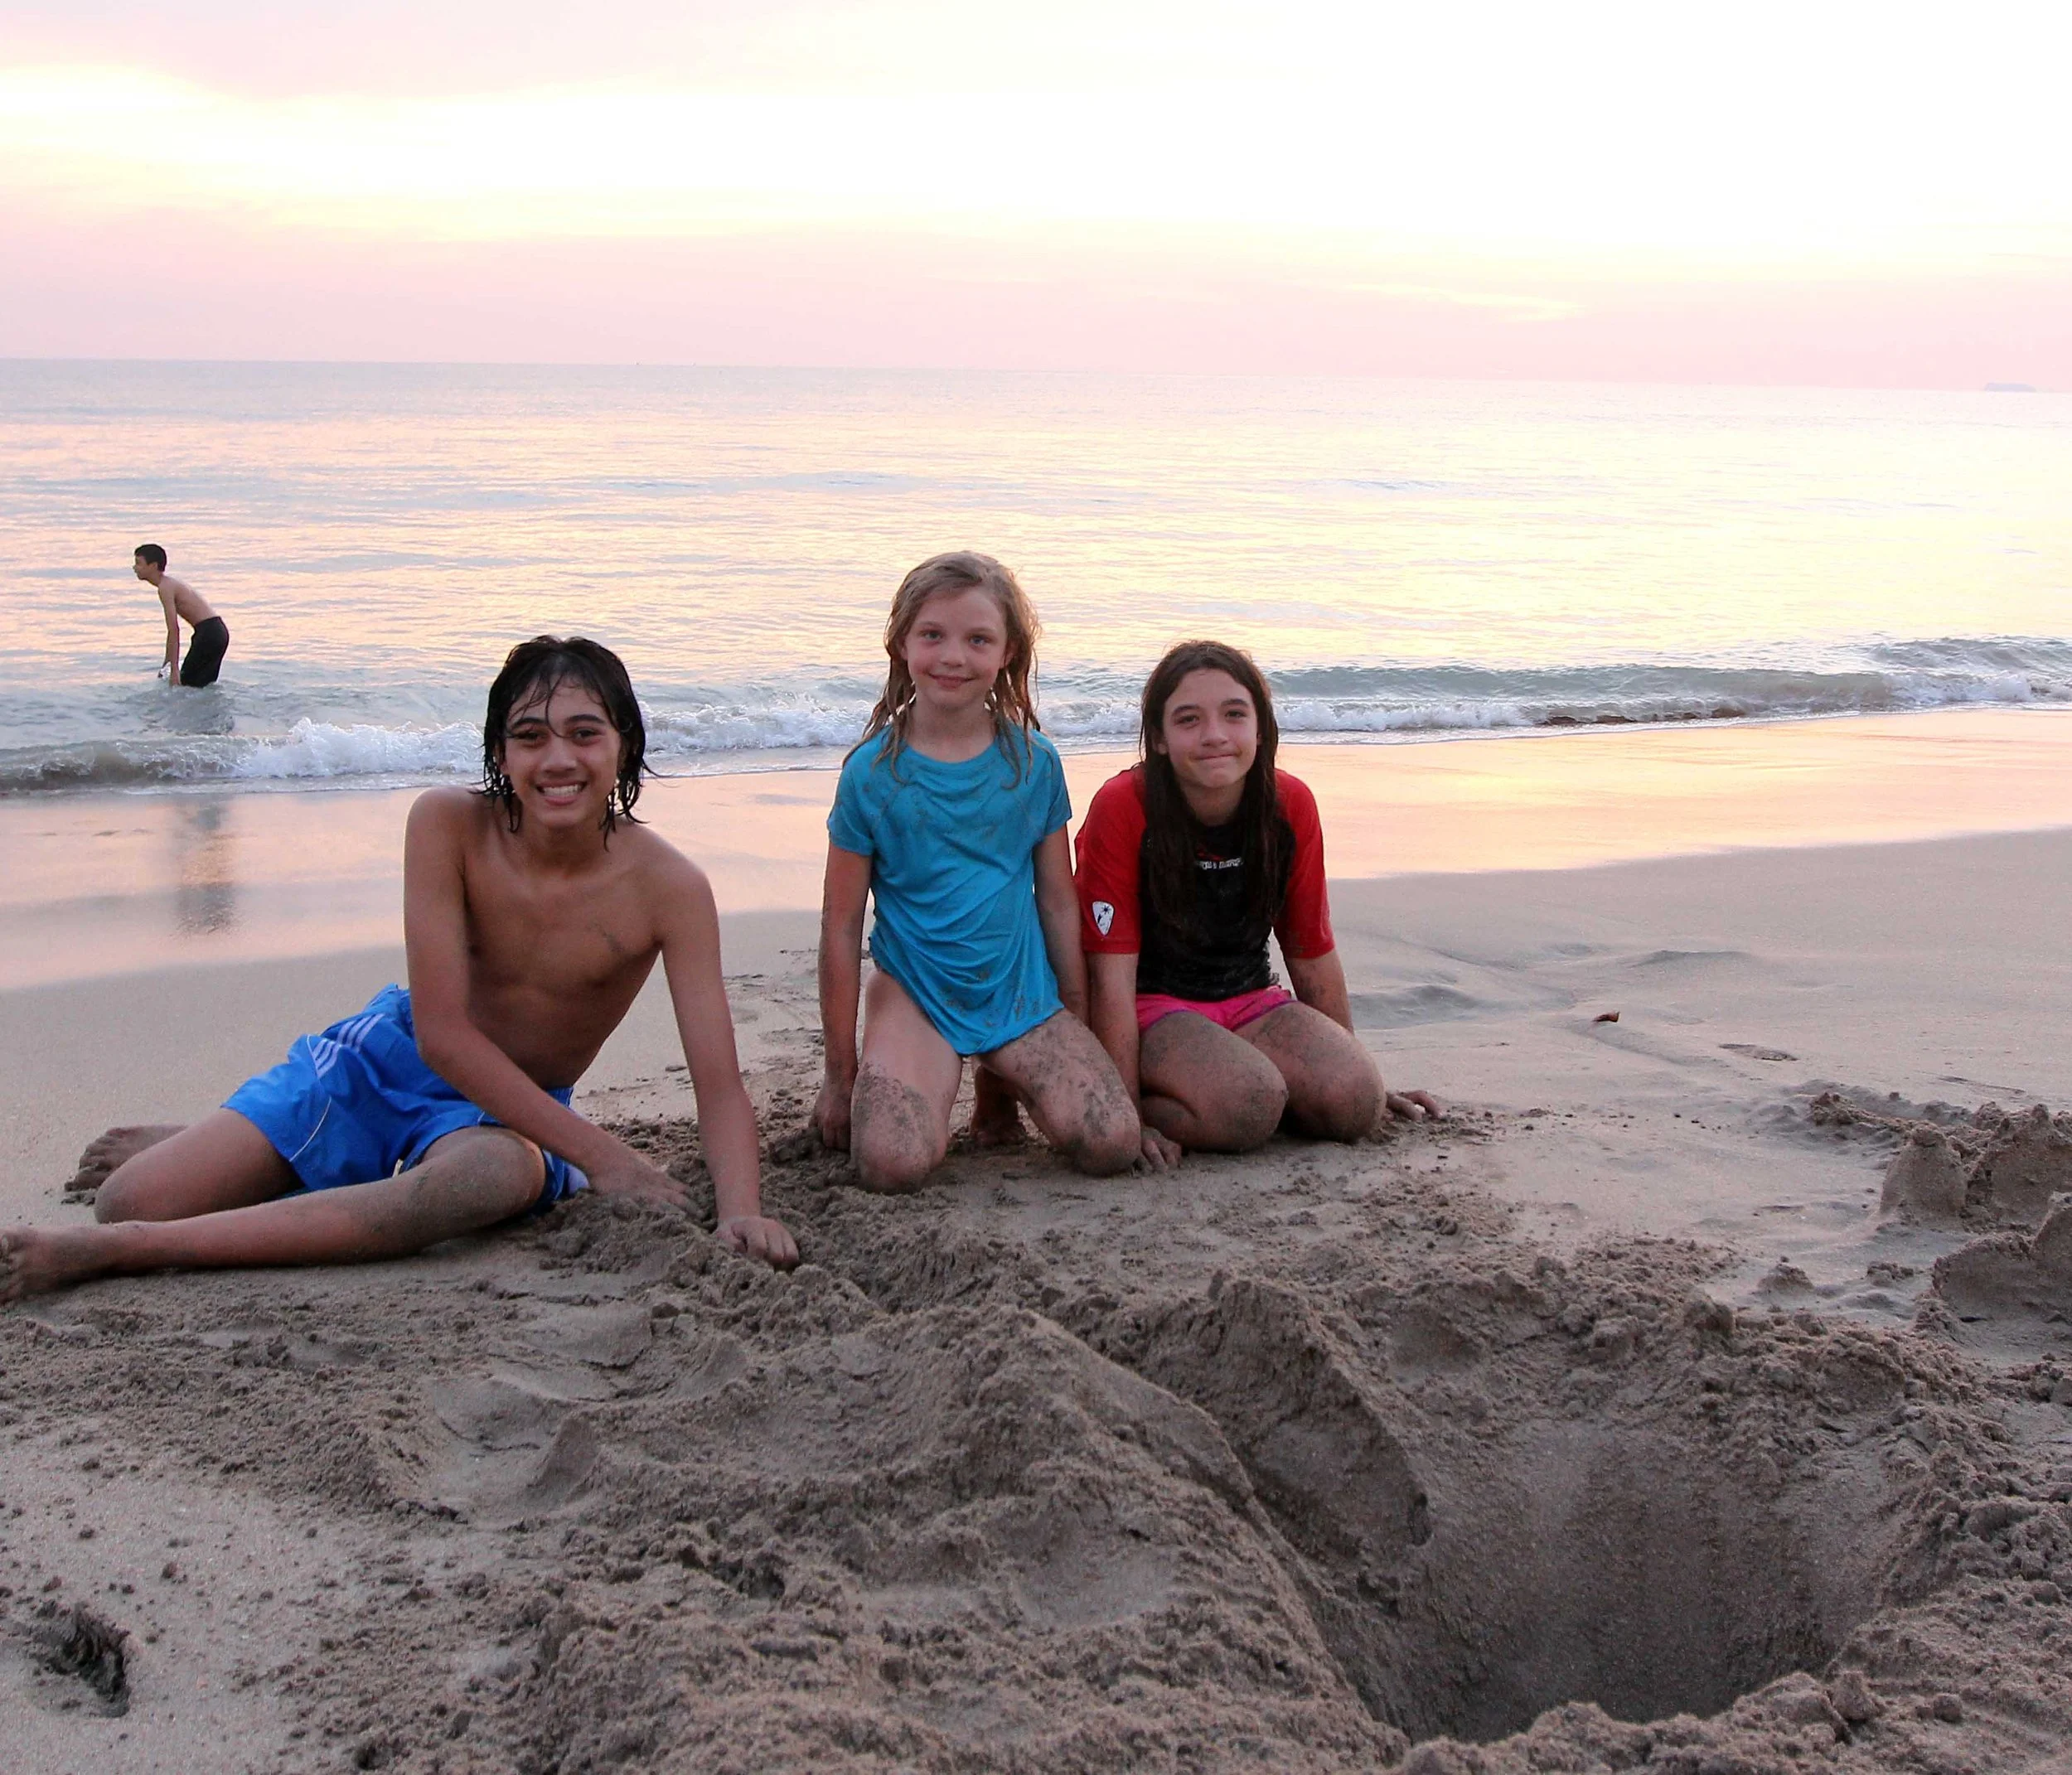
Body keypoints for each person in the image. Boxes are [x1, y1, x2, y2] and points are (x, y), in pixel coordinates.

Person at [0, 636, 796, 1303]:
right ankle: (214, 1154)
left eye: (585, 733)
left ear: (625, 744)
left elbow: (718, 1080)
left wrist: (742, 1211)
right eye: (530, 736)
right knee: (126, 1197)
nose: (559, 758)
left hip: (507, 1119)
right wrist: (609, 1156)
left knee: (476, 1186)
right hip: (387, 1059)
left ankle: (123, 1253)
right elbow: (446, 1037)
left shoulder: (671, 889)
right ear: (498, 752)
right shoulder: (447, 824)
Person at [811, 551, 1140, 1192]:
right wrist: (837, 1075)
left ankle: (998, 1079)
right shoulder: (871, 774)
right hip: (915, 991)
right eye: (932, 635)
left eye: (977, 639)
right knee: (890, 1164)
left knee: (1111, 1142)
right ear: (901, 642)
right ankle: (915, 1043)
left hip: (1016, 992)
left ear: (1008, 651)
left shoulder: (1033, 764)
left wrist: (1074, 1017)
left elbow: (1057, 904)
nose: (953, 656)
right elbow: (841, 922)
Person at [1076, 640, 1440, 1163]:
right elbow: (1109, 978)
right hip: (1150, 1007)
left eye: (1233, 715)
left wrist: (1358, 1072)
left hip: (1250, 999)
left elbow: (1309, 951)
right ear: (1157, 738)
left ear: (1261, 727)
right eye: (1188, 720)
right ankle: (1197, 1097)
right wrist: (1124, 1114)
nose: (1215, 736)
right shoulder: (1124, 807)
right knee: (1247, 1106)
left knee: (1356, 1104)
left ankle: (1264, 1087)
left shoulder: (1289, 803)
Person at [133, 544, 230, 687]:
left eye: (138, 564)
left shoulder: (165, 588)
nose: (134, 568)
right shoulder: (168, 584)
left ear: (153, 566)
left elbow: (173, 629)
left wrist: (174, 669)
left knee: (187, 685)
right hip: (216, 632)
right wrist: (167, 663)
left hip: (209, 634)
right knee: (200, 687)